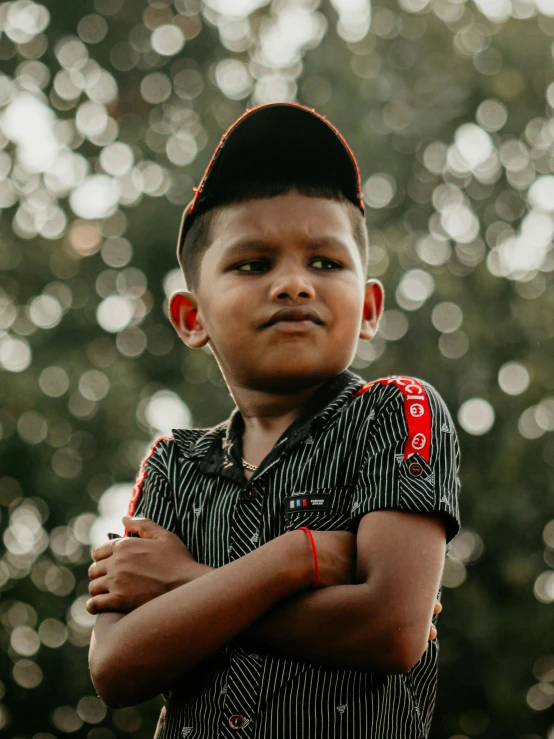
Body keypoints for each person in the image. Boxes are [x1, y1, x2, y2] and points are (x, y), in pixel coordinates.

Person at [86, 102, 461, 739]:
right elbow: (117, 666)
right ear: (190, 317)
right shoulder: (173, 464)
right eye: (253, 264)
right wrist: (297, 557)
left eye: (325, 262)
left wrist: (186, 583)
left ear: (369, 307)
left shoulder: (397, 412)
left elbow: (391, 629)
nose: (293, 284)